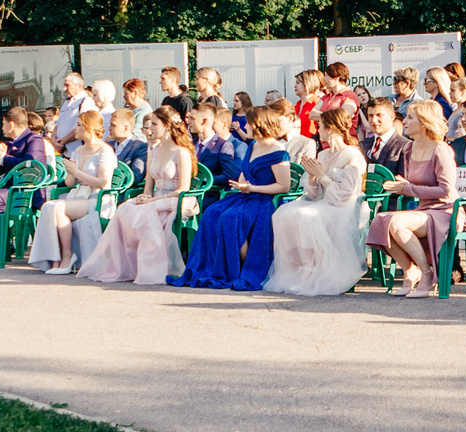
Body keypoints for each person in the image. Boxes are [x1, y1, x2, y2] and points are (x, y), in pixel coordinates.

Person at [174, 108, 291, 291]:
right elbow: (245, 171)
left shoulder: (278, 151)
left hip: (265, 200)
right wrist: (243, 183)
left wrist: (252, 188)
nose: (246, 126)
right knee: (212, 213)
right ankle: (212, 266)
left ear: (259, 125)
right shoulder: (253, 145)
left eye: (250, 123)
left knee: (230, 218)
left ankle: (241, 267)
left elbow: (284, 186)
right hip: (246, 195)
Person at [265, 108, 372, 297]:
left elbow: (344, 196)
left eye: (320, 126)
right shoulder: (323, 154)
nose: (317, 130)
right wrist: (313, 178)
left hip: (344, 207)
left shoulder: (351, 155)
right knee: (283, 213)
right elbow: (313, 195)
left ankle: (316, 271)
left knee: (306, 216)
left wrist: (321, 175)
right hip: (324, 203)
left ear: (330, 129)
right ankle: (301, 270)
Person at [82, 111, 194, 285]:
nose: (150, 128)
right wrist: (144, 197)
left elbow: (183, 189)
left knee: (146, 213)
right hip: (156, 198)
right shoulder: (154, 151)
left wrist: (153, 201)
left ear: (167, 126)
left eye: (155, 124)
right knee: (125, 208)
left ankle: (151, 269)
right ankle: (127, 267)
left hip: (176, 199)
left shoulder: (181, 152)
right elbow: (148, 187)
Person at [367, 103, 458, 297]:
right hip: (423, 209)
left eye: (409, 118)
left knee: (396, 222)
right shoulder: (409, 148)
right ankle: (410, 269)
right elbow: (413, 185)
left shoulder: (441, 149)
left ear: (424, 123)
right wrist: (403, 186)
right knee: (379, 220)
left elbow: (447, 190)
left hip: (444, 210)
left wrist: (408, 188)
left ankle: (427, 273)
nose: (404, 121)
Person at [26, 112, 119, 274]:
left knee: (57, 208)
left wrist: (76, 171)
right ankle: (55, 259)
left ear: (89, 128)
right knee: (49, 206)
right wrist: (69, 170)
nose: (74, 129)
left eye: (78, 125)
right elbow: (70, 183)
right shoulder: (79, 150)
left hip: (97, 198)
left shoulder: (105, 150)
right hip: (77, 196)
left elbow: (102, 182)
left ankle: (68, 256)